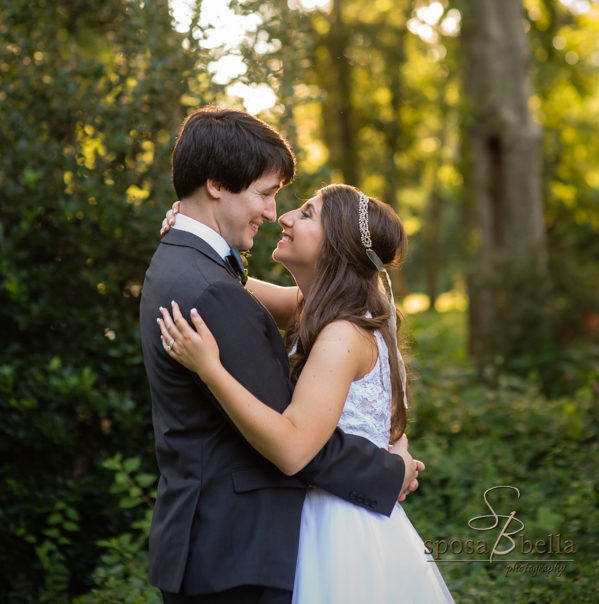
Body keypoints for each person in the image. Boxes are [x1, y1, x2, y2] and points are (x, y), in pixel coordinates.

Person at [140, 106, 422, 604]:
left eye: (303, 211)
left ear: (334, 247)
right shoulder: (298, 306)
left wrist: (191, 232)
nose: (280, 214)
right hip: (258, 537)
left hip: (328, 529)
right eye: (270, 194)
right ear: (216, 184)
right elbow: (234, 285)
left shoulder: (337, 329)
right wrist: (189, 227)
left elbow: (293, 441)